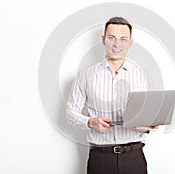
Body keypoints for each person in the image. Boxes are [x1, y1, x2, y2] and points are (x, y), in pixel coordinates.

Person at [66, 17, 157, 174]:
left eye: (123, 39)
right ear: (103, 39)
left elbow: (146, 116)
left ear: (130, 42)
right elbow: (70, 113)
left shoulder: (141, 75)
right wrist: (90, 122)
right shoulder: (85, 75)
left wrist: (146, 126)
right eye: (111, 38)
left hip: (134, 158)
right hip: (100, 159)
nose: (117, 45)